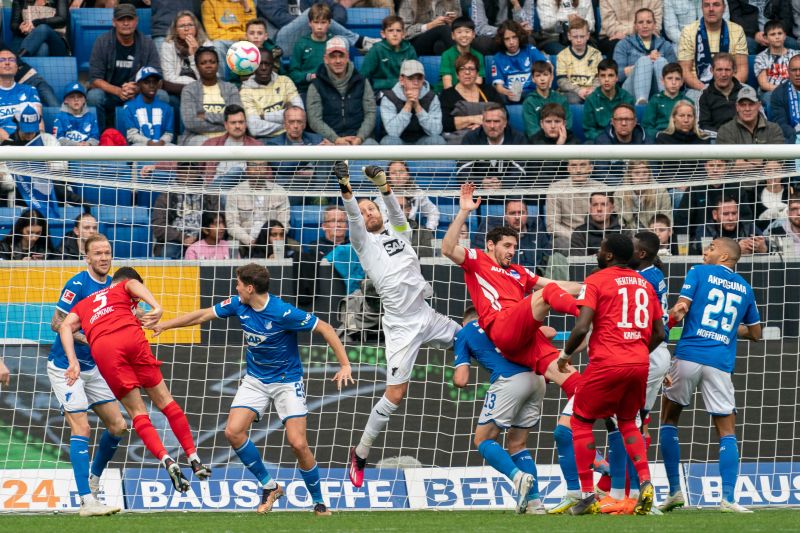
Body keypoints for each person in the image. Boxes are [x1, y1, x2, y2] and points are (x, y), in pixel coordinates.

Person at [151, 263, 352, 516]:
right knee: (233, 432)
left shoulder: (282, 312)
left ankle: (319, 502)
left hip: (286, 381)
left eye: (238, 284)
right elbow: (202, 315)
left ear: (250, 288)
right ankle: (270, 487)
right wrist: (165, 325)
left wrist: (345, 364)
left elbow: (325, 328)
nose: (235, 288)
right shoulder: (238, 304)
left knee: (298, 444)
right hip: (256, 380)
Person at [332, 161, 462, 489]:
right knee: (395, 395)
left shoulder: (399, 230)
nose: (368, 212)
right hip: (401, 326)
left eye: (371, 207)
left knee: (473, 339)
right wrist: (346, 187)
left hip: (426, 315)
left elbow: (394, 210)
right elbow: (351, 216)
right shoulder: (363, 244)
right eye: (363, 210)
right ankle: (360, 454)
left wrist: (383, 185)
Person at [59, 267, 210, 495]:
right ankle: (193, 457)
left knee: (137, 412)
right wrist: (156, 306)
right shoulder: (123, 286)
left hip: (103, 348)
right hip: (130, 337)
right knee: (166, 401)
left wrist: (73, 361)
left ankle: (167, 460)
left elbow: (64, 326)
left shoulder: (85, 303)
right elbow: (131, 284)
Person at [441, 182, 583, 399]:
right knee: (544, 295)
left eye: (514, 247)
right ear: (490, 245)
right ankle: (585, 315)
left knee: (573, 380)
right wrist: (464, 211)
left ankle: (603, 427)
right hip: (501, 325)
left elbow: (556, 285)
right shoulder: (477, 260)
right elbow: (447, 249)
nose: (512, 251)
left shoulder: (519, 271)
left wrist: (591, 287)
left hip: (522, 336)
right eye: (507, 246)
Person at [557, 233, 664, 515]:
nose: (598, 250)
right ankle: (645, 483)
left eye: (600, 248)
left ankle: (586, 494)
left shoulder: (596, 281)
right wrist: (638, 349)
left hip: (607, 362)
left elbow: (581, 328)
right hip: (639, 364)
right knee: (629, 422)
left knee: (579, 421)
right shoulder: (644, 283)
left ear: (607, 255)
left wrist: (565, 356)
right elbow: (660, 332)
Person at [659, 237, 761, 513]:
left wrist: (661, 325)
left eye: (713, 247)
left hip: (689, 355)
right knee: (726, 431)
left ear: (726, 256)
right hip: (719, 363)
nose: (707, 251)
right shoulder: (746, 288)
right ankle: (728, 498)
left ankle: (674, 492)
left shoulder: (698, 272)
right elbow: (755, 333)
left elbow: (681, 309)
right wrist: (728, 331)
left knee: (669, 419)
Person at [46, 234, 126, 516]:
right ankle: (86, 501)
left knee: (117, 427)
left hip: (94, 368)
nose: (104, 258)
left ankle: (93, 480)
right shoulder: (77, 284)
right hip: (66, 367)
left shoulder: (117, 287)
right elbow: (57, 322)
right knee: (82, 428)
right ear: (87, 257)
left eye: (107, 252)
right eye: (98, 253)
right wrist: (90, 338)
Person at [453, 306, 547, 514]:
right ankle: (535, 504)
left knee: (483, 439)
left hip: (509, 380)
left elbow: (461, 379)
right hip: (537, 378)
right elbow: (551, 332)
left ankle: (517, 477)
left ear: (464, 322)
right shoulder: (501, 321)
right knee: (517, 443)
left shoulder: (464, 333)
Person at [88, 4, 163, 130]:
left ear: (136, 21)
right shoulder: (102, 41)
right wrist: (118, 91)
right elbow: (95, 79)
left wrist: (137, 87)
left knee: (162, 96)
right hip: (110, 93)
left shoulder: (147, 43)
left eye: (129, 19)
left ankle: (154, 137)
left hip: (138, 93)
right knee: (94, 96)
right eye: (121, 19)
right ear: (113, 22)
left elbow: (158, 78)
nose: (126, 23)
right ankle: (100, 137)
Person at [306, 37, 377, 145]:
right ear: (326, 59)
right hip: (329, 140)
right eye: (333, 57)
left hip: (359, 140)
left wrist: (359, 138)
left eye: (341, 56)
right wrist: (336, 140)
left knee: (372, 145)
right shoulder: (315, 86)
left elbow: (370, 114)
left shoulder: (362, 82)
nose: (338, 61)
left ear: (347, 57)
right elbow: (314, 120)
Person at [678, 0, 749, 102]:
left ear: (724, 8)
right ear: (701, 8)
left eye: (716, 5)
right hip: (698, 89)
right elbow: (685, 71)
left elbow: (742, 69)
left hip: (731, 87)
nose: (711, 9)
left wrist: (728, 89)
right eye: (706, 5)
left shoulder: (737, 30)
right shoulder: (688, 31)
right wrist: (706, 90)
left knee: (749, 97)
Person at [151, 161, 221, 258]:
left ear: (198, 172)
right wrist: (182, 237)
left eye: (191, 169)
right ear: (178, 172)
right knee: (169, 251)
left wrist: (200, 237)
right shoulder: (166, 195)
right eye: (184, 169)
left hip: (204, 238)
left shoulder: (210, 195)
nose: (187, 172)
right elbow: (158, 226)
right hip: (175, 239)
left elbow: (217, 222)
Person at [614, 8, 677, 105]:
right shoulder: (623, 44)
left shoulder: (666, 45)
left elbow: (676, 74)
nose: (645, 25)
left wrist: (657, 61)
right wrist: (642, 63)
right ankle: (641, 102)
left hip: (657, 89)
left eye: (649, 22)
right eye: (640, 22)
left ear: (654, 25)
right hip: (630, 91)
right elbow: (617, 75)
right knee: (644, 61)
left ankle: (665, 101)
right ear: (635, 25)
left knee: (661, 61)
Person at [225, 161, 291, 256]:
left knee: (297, 248)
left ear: (268, 170)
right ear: (246, 170)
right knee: (231, 245)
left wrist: (272, 238)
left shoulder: (280, 192)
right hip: (244, 240)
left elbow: (284, 223)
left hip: (272, 238)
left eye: (262, 165)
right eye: (253, 165)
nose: (258, 168)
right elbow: (232, 225)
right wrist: (249, 241)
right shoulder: (234, 193)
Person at [180, 47, 243, 146]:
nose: (208, 65)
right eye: (203, 63)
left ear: (218, 65)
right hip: (198, 138)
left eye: (212, 62)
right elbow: (190, 123)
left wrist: (206, 116)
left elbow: (237, 118)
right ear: (197, 66)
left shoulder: (230, 88)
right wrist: (226, 122)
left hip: (228, 137)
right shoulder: (189, 90)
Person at [439, 52, 503, 144]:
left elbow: (504, 114)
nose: (467, 72)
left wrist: (483, 124)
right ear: (457, 74)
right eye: (462, 69)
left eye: (471, 69)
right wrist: (473, 119)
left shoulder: (489, 90)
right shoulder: (447, 94)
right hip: (460, 142)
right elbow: (445, 123)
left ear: (477, 74)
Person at [240, 48, 303, 141]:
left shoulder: (285, 81)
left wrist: (263, 116)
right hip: (264, 140)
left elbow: (300, 114)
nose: (263, 68)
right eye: (259, 64)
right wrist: (288, 122)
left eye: (267, 64)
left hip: (292, 136)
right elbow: (254, 128)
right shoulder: (245, 91)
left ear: (273, 65)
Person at [458, 103, 528, 187]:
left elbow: (521, 171)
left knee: (516, 200)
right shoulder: (471, 138)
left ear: (505, 123)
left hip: (509, 190)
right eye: (488, 121)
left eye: (496, 121)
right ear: (482, 122)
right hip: (478, 190)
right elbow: (462, 171)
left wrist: (502, 183)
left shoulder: (518, 139)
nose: (492, 126)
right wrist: (481, 182)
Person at [380, 59, 445, 145]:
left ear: (423, 79)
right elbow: (393, 132)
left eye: (419, 78)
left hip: (423, 142)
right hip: (398, 142)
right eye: (411, 78)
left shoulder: (432, 97)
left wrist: (417, 106)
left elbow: (436, 130)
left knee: (438, 140)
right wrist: (408, 104)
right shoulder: (389, 98)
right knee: (389, 141)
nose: (416, 82)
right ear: (401, 80)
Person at [472, 198, 552, 269]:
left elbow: (546, 256)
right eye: (512, 213)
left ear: (527, 214)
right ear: (506, 216)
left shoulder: (537, 229)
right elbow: (478, 257)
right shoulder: (494, 233)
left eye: (521, 212)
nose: (517, 217)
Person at [546, 159, 604, 253]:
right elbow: (552, 225)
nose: (578, 170)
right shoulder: (555, 189)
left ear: (590, 168)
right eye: (573, 166)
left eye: (582, 165)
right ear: (568, 168)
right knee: (565, 245)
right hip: (567, 236)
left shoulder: (602, 188)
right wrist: (577, 236)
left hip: (596, 235)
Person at [200, 104, 261, 186]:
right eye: (233, 123)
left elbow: (268, 176)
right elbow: (194, 168)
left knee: (236, 171)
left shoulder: (256, 146)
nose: (237, 126)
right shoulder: (211, 144)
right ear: (226, 125)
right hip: (217, 191)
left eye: (241, 122)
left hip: (243, 191)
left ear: (246, 124)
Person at [371, 160, 439, 232]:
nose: (398, 176)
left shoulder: (416, 191)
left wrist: (429, 229)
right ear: (388, 177)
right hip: (390, 233)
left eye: (401, 172)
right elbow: (380, 218)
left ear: (408, 175)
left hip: (411, 232)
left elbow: (433, 211)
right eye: (393, 173)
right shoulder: (383, 192)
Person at [490, 19, 549, 102]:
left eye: (514, 37)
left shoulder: (530, 50)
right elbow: (499, 87)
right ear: (502, 41)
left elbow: (548, 67)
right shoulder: (497, 58)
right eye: (507, 39)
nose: (511, 42)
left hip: (532, 93)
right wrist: (507, 93)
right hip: (510, 95)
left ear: (519, 37)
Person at [360, 15, 418, 95]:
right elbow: (364, 75)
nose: (395, 34)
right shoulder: (376, 50)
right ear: (383, 34)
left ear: (403, 34)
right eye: (390, 30)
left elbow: (415, 76)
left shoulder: (410, 50)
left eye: (398, 30)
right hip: (381, 90)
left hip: (405, 90)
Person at [159, 10, 212, 98]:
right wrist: (192, 83)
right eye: (182, 26)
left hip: (202, 91)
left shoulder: (206, 44)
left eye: (190, 25)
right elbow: (169, 77)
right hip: (177, 90)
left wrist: (194, 55)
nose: (186, 29)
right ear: (175, 29)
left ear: (196, 27)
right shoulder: (168, 45)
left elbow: (207, 77)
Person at [582, 59, 635, 142]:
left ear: (617, 78)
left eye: (610, 75)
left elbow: (631, 124)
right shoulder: (591, 99)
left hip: (622, 139)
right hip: (600, 141)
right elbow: (589, 130)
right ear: (598, 78)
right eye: (603, 75)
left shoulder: (627, 97)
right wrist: (606, 140)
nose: (606, 79)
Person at [288, 3, 336, 94]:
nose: (319, 27)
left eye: (323, 22)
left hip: (330, 90)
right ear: (310, 23)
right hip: (306, 90)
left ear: (329, 23)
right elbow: (293, 74)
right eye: (316, 22)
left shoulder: (334, 43)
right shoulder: (301, 44)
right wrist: (310, 76)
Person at [695, 197, 769, 254]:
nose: (731, 218)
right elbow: (707, 252)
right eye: (725, 214)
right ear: (715, 214)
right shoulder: (705, 229)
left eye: (734, 213)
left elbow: (771, 247)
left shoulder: (749, 227)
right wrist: (735, 249)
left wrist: (764, 248)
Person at [716, 84, 785, 143]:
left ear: (759, 106)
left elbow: (777, 158)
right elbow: (727, 158)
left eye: (751, 104)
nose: (747, 109)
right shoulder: (725, 131)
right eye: (743, 105)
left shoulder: (774, 129)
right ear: (737, 107)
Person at [555, 17, 602, 104]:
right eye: (575, 37)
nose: (579, 40)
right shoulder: (562, 56)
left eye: (582, 36)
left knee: (598, 98)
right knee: (573, 99)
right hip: (571, 92)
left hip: (592, 91)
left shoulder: (596, 54)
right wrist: (578, 90)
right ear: (569, 36)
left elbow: (599, 78)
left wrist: (592, 90)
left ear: (588, 36)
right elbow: (562, 81)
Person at [614, 161, 673, 231]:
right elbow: (618, 222)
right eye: (637, 173)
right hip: (629, 235)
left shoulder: (661, 192)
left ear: (649, 174)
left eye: (645, 173)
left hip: (654, 234)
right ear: (630, 175)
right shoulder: (619, 194)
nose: (641, 177)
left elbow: (667, 220)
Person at [123, 67, 174, 146]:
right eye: (147, 82)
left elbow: (169, 133)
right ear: (138, 84)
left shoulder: (166, 107)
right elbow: (131, 135)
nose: (151, 86)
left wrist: (162, 141)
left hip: (161, 145)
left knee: (178, 152)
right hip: (141, 145)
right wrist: (148, 142)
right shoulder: (129, 107)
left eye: (154, 82)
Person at [0, 47, 42, 142]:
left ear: (17, 67)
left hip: (27, 139)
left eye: (11, 60)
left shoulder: (29, 90)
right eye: (2, 60)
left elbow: (38, 121)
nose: (7, 63)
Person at [202, 0, 252, 78]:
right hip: (222, 40)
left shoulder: (247, 1)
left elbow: (252, 28)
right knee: (217, 45)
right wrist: (240, 35)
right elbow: (212, 33)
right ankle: (221, 82)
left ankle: (248, 82)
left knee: (255, 40)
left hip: (244, 39)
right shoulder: (209, 3)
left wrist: (246, 7)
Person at [522, 61, 571, 138]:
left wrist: (558, 139)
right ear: (533, 79)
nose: (542, 79)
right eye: (538, 75)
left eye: (545, 75)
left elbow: (567, 124)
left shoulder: (561, 99)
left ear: (551, 77)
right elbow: (532, 130)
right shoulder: (529, 101)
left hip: (560, 137)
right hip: (538, 142)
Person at [597, 0, 663, 57]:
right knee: (618, 45)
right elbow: (609, 27)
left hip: (646, 35)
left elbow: (656, 26)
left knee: (659, 45)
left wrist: (630, 34)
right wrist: (641, 28)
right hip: (613, 37)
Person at [754, 19, 798, 104]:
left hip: (795, 90)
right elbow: (764, 84)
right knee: (770, 97)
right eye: (773, 34)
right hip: (771, 92)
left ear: (785, 36)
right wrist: (786, 91)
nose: (777, 37)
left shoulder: (796, 55)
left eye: (780, 33)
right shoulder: (761, 57)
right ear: (766, 38)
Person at [698, 52, 744, 133]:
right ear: (712, 70)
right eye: (719, 70)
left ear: (734, 71)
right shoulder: (705, 96)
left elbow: (758, 119)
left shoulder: (745, 92)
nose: (723, 74)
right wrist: (723, 135)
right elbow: (704, 126)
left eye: (727, 70)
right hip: (717, 140)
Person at [438, 16, 486, 92]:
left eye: (467, 31)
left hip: (470, 94)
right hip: (450, 93)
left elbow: (478, 82)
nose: (464, 35)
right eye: (459, 32)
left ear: (473, 34)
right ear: (453, 35)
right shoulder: (447, 55)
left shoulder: (478, 56)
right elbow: (447, 85)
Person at [396, 0, 460, 56]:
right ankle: (463, 63)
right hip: (416, 42)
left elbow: (462, 25)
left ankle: (458, 66)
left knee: (439, 46)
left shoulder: (453, 1)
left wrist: (453, 22)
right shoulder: (410, 1)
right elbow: (404, 30)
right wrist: (428, 26)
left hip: (442, 40)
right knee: (443, 29)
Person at [768, 53, 800, 143]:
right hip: (792, 138)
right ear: (788, 72)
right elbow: (780, 123)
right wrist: (795, 135)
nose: (798, 73)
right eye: (794, 70)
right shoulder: (779, 93)